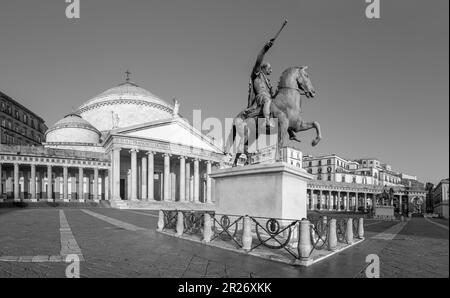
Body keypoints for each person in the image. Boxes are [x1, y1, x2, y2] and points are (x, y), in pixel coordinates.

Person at [248, 39, 277, 128]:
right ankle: (266, 121)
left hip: (267, 97)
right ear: (263, 68)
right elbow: (259, 58)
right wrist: (265, 48)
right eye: (269, 68)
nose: (271, 71)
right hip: (260, 97)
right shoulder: (257, 73)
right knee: (267, 100)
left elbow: (273, 95)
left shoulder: (268, 83)